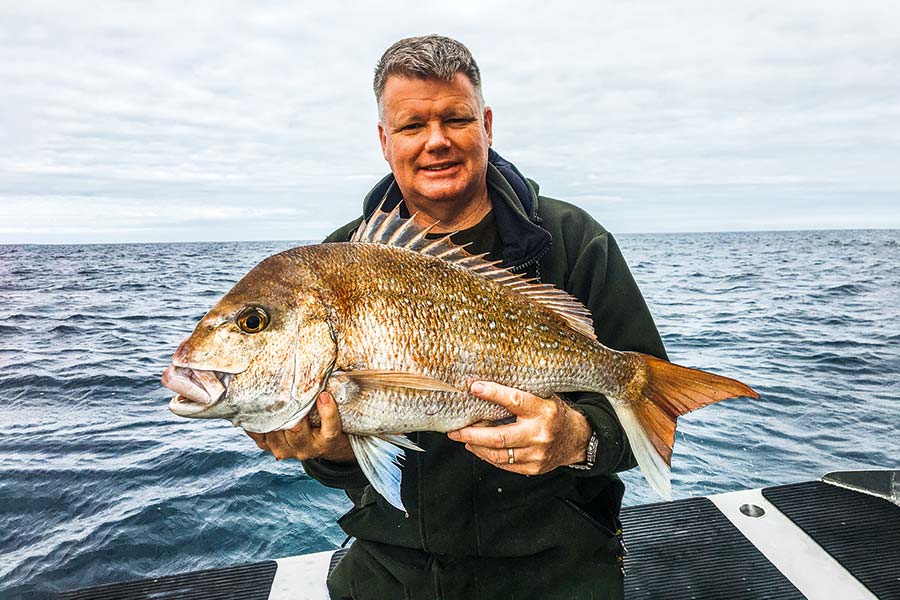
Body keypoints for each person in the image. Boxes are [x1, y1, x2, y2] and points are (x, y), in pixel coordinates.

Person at [247, 34, 667, 600]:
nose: (436, 141)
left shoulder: (575, 241)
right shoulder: (335, 263)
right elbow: (354, 470)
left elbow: (651, 402)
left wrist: (578, 438)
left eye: (456, 119)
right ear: (383, 139)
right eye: (412, 125)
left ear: (487, 125)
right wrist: (333, 451)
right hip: (393, 572)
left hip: (557, 572)